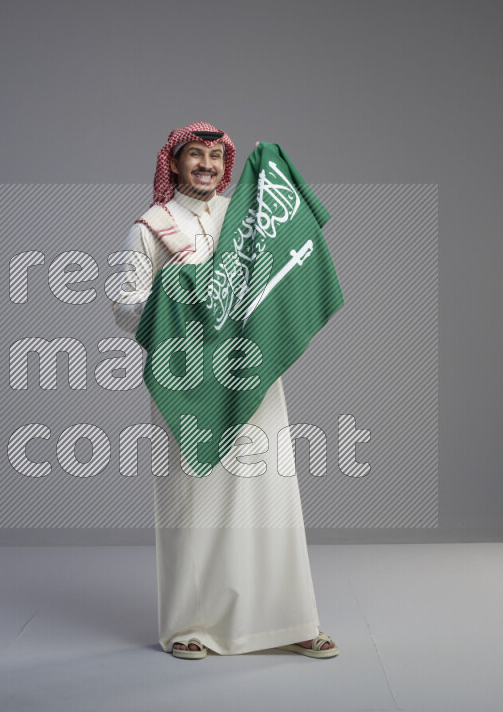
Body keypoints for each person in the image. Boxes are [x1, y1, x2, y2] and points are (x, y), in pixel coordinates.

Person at [110, 122, 338, 660]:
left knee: (272, 499)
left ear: (226, 164)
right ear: (175, 162)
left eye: (215, 156)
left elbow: (283, 266)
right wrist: (185, 305)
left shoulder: (250, 217)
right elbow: (124, 304)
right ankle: (191, 626)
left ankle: (291, 621)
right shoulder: (151, 228)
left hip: (253, 375)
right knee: (193, 507)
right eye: (196, 155)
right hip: (188, 386)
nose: (206, 166)